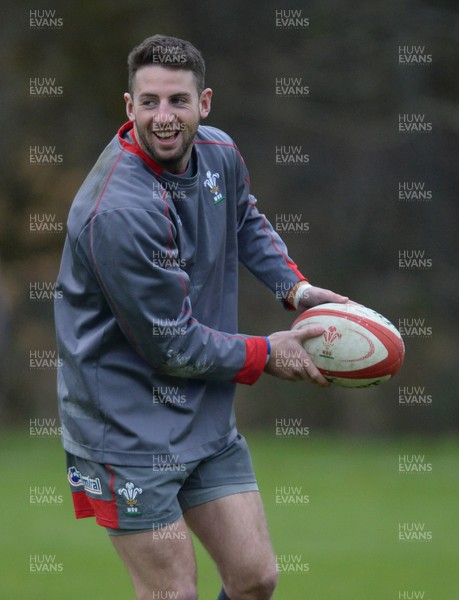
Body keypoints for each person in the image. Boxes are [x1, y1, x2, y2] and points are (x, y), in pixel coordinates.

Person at [55, 34, 347, 600]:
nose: (163, 117)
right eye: (150, 102)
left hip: (203, 418)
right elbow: (173, 346)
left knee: (255, 578)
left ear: (204, 103)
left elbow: (245, 222)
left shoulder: (219, 154)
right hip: (125, 431)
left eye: (178, 101)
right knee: (173, 594)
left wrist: (297, 288)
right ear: (129, 106)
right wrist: (267, 353)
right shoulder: (117, 211)